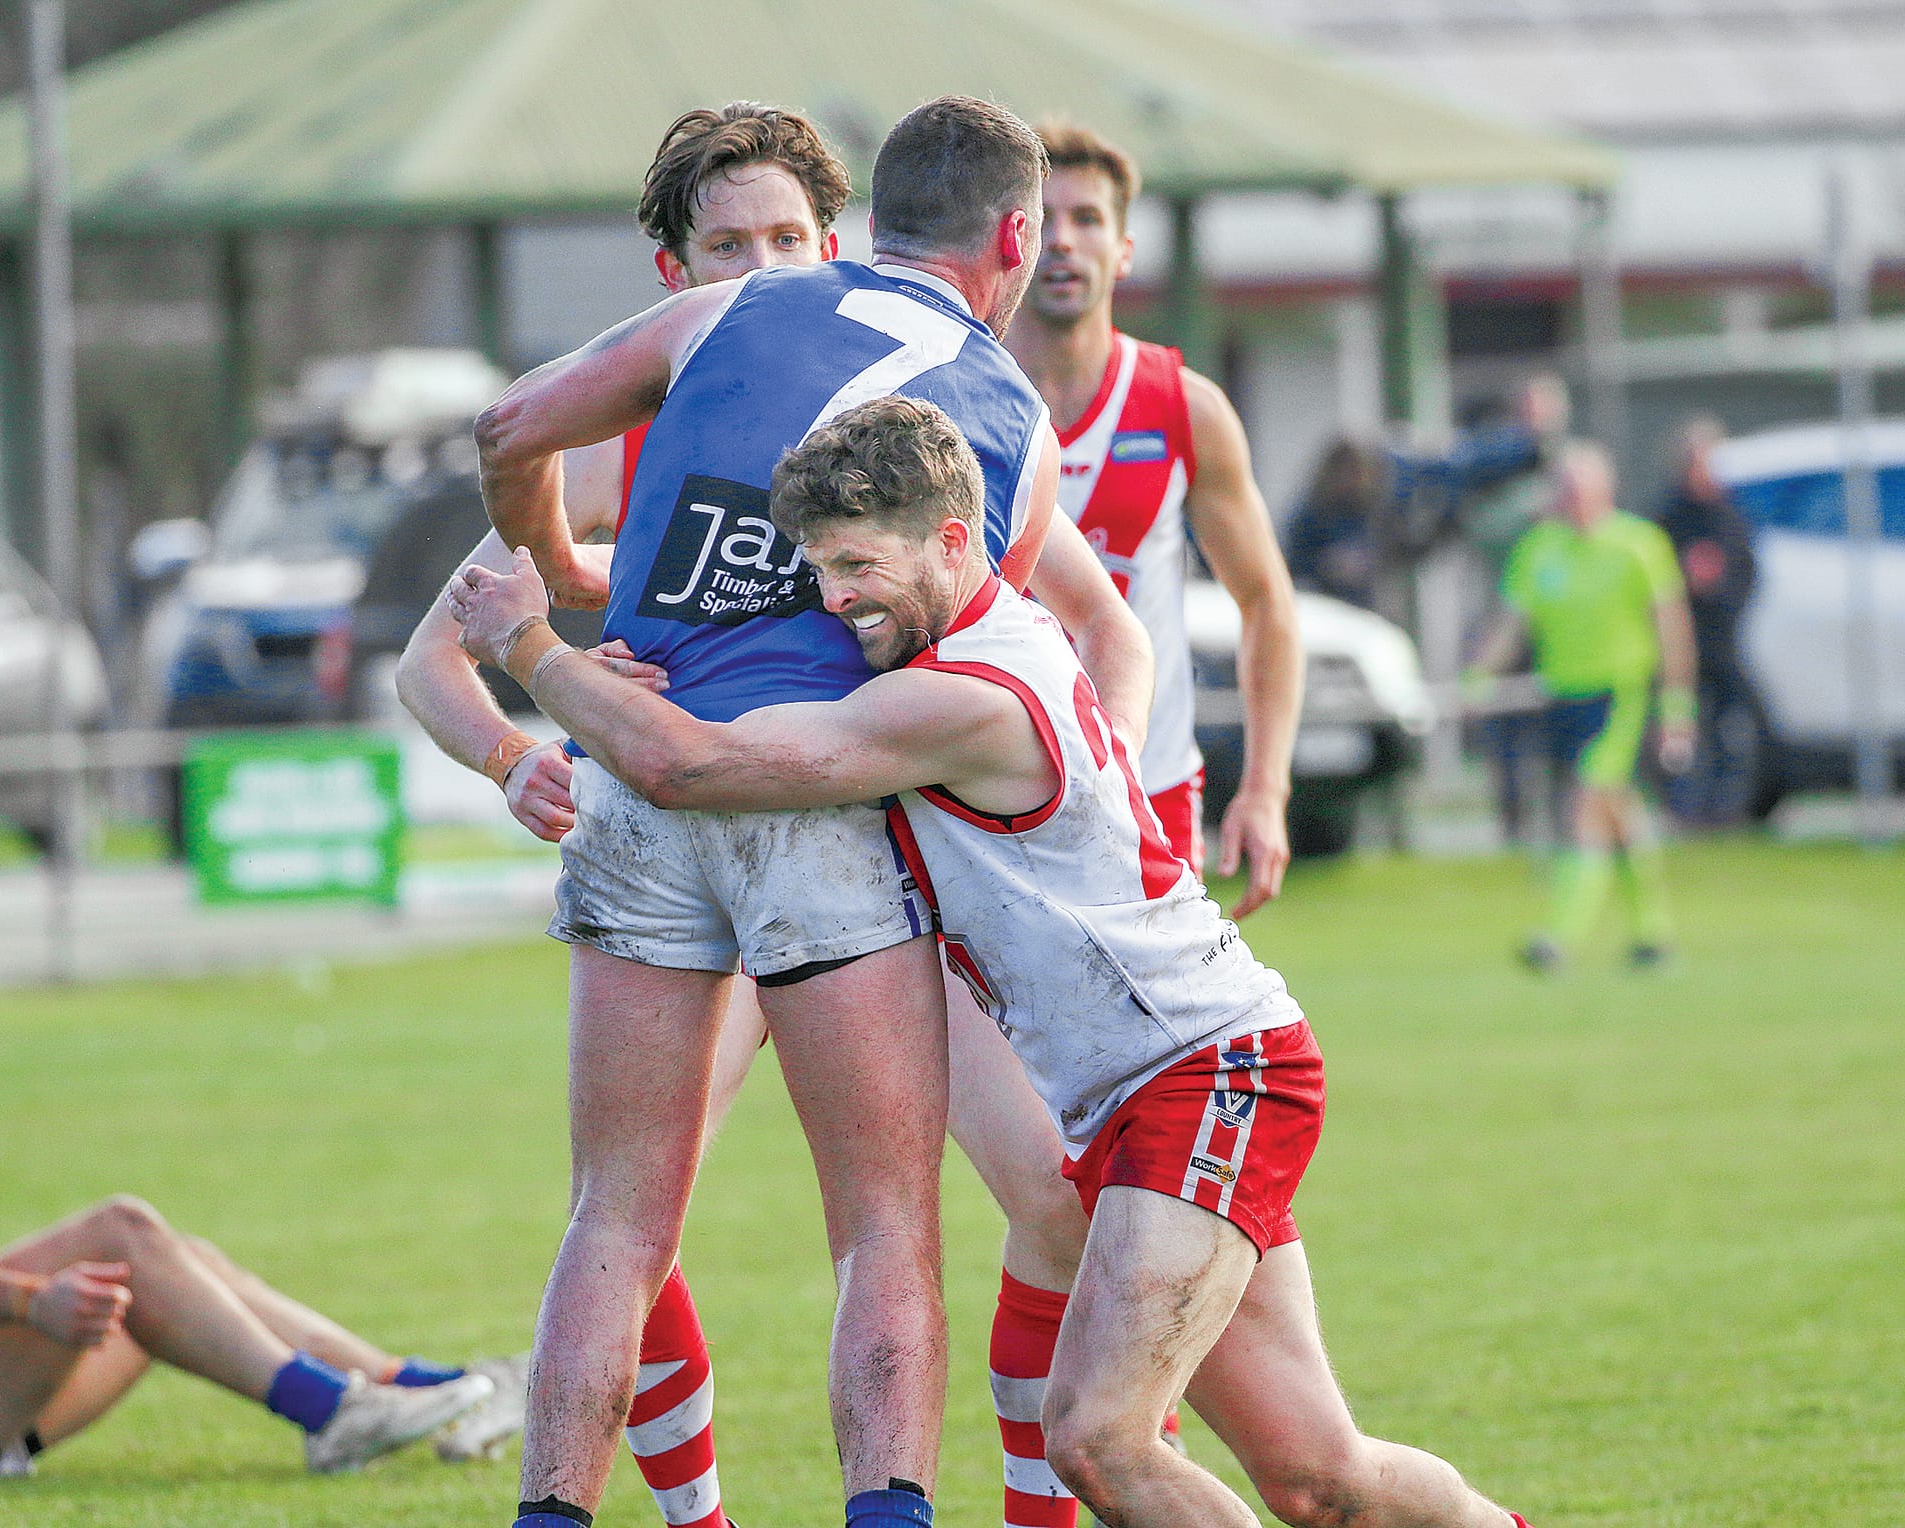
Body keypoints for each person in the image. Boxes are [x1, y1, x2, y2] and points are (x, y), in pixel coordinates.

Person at [446, 394, 1533, 1528]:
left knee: (1099, 1440)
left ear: (953, 540)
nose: (833, 598)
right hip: (1158, 1088)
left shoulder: (958, 696)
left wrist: (528, 644)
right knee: (1322, 1476)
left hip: (1202, 1079)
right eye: (818, 568)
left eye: (857, 562)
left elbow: (687, 769)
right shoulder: (975, 635)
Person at [470, 97, 1152, 1528]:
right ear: (1015, 239)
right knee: (885, 1231)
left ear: (867, 219)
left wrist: (561, 576)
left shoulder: (733, 313)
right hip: (819, 809)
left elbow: (510, 423)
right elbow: (953, 653)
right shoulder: (1013, 422)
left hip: (637, 776)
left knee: (617, 1220)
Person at [396, 102, 860, 1528]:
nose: (764, 268)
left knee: (1047, 1198)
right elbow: (438, 653)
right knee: (629, 1233)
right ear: (673, 270)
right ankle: (696, 1517)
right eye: (730, 246)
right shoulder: (619, 433)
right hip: (682, 870)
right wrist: (508, 758)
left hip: (864, 852)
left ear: (833, 247)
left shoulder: (893, 401)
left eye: (789, 240)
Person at [996, 117, 1301, 1519]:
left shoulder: (1178, 404)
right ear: (1008, 236)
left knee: (1114, 1201)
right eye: (1040, 217)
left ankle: (1137, 1458)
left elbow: (1263, 601)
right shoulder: (963, 403)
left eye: (1087, 220)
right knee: (1051, 1203)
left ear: (1126, 243)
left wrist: (1265, 781)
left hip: (1155, 836)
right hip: (1004, 846)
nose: (1063, 242)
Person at [0, 916, 508, 1486]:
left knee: (181, 1268)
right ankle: (337, 1411)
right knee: (124, 1235)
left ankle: (427, 1391)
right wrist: (31, 1301)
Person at [1466, 441, 1697, 970]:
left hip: (1619, 697)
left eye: (1579, 486)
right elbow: (1512, 622)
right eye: (1563, 486)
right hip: (1562, 699)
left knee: (1585, 806)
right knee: (1618, 815)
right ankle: (1653, 935)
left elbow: (1672, 629)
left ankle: (1557, 938)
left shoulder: (1639, 544)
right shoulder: (1541, 546)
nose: (1569, 496)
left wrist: (1677, 709)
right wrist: (1478, 677)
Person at [1653, 413, 1759, 824]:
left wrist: (1722, 591)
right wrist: (1685, 579)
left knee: (1731, 729)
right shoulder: (1669, 517)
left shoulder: (1731, 514)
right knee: (1681, 731)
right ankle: (1685, 809)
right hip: (1681, 645)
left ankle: (1728, 808)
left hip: (1724, 640)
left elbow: (1748, 574)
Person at [1282, 436, 1394, 612]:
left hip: (1363, 608)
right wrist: (1327, 566)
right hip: (1322, 608)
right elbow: (1291, 565)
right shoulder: (1313, 514)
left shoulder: (1368, 511)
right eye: (1348, 471)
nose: (1354, 479)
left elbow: (1389, 551)